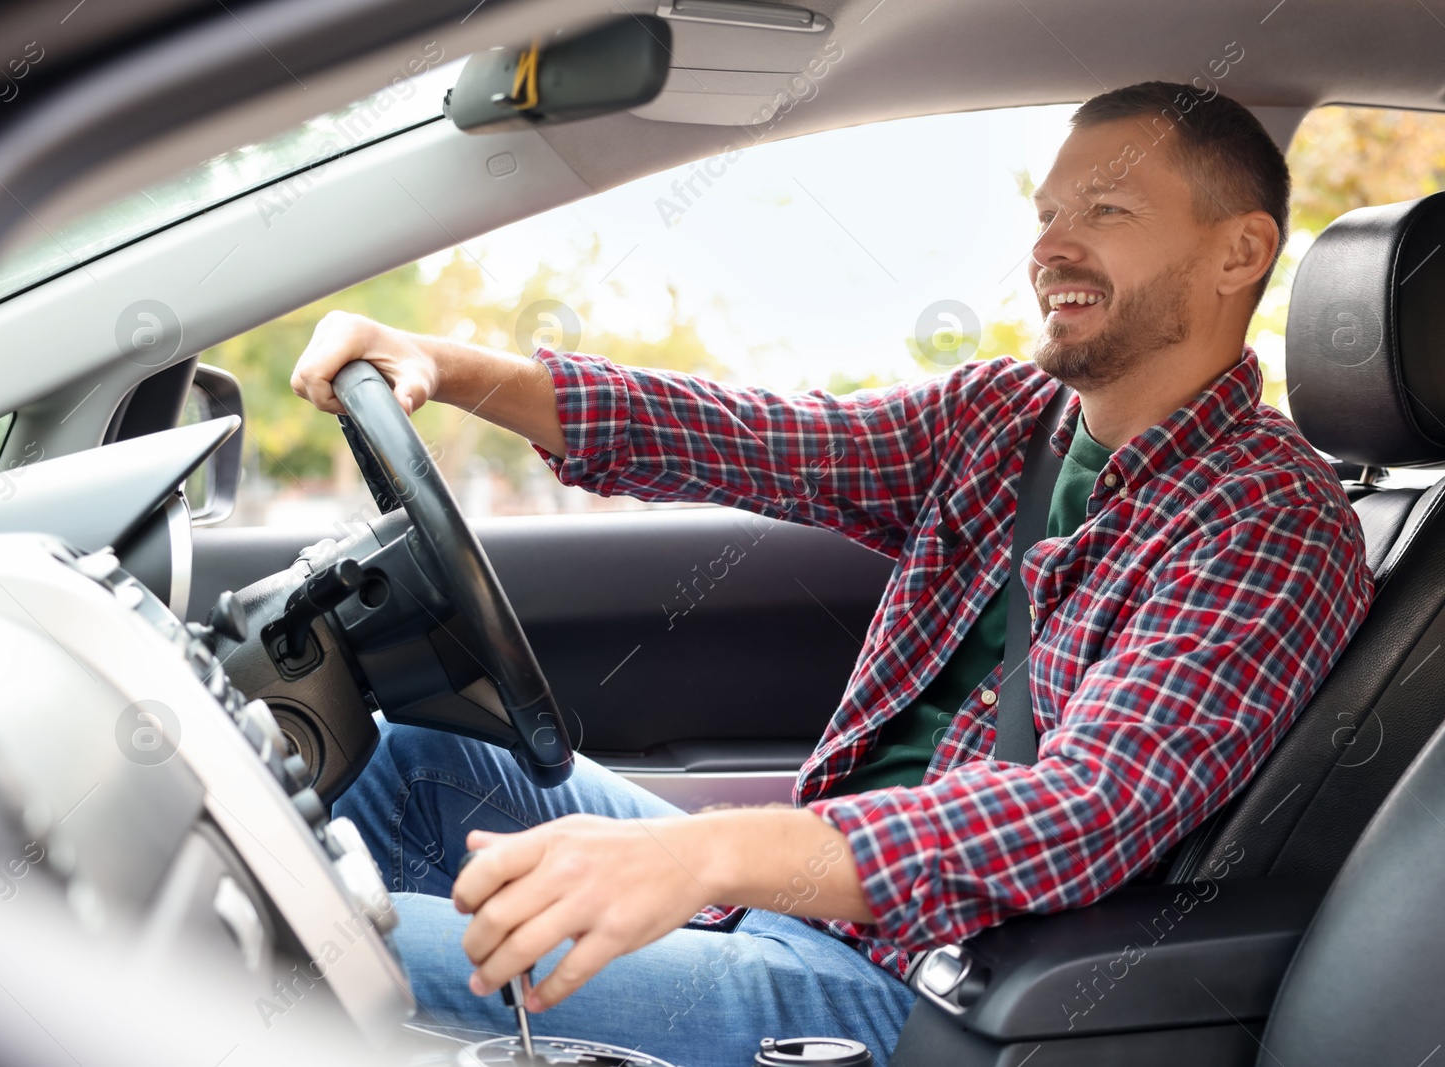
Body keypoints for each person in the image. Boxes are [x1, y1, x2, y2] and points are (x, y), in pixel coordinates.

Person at [291, 81, 1373, 1065]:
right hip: (805, 909)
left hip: (919, 989)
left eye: (1107, 212)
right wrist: (451, 365)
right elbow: (762, 438)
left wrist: (707, 858)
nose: (1051, 245)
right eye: (1047, 212)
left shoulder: (1270, 519)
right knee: (414, 757)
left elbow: (1082, 809)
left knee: (287, 949)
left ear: (1238, 253)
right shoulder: (1009, 419)